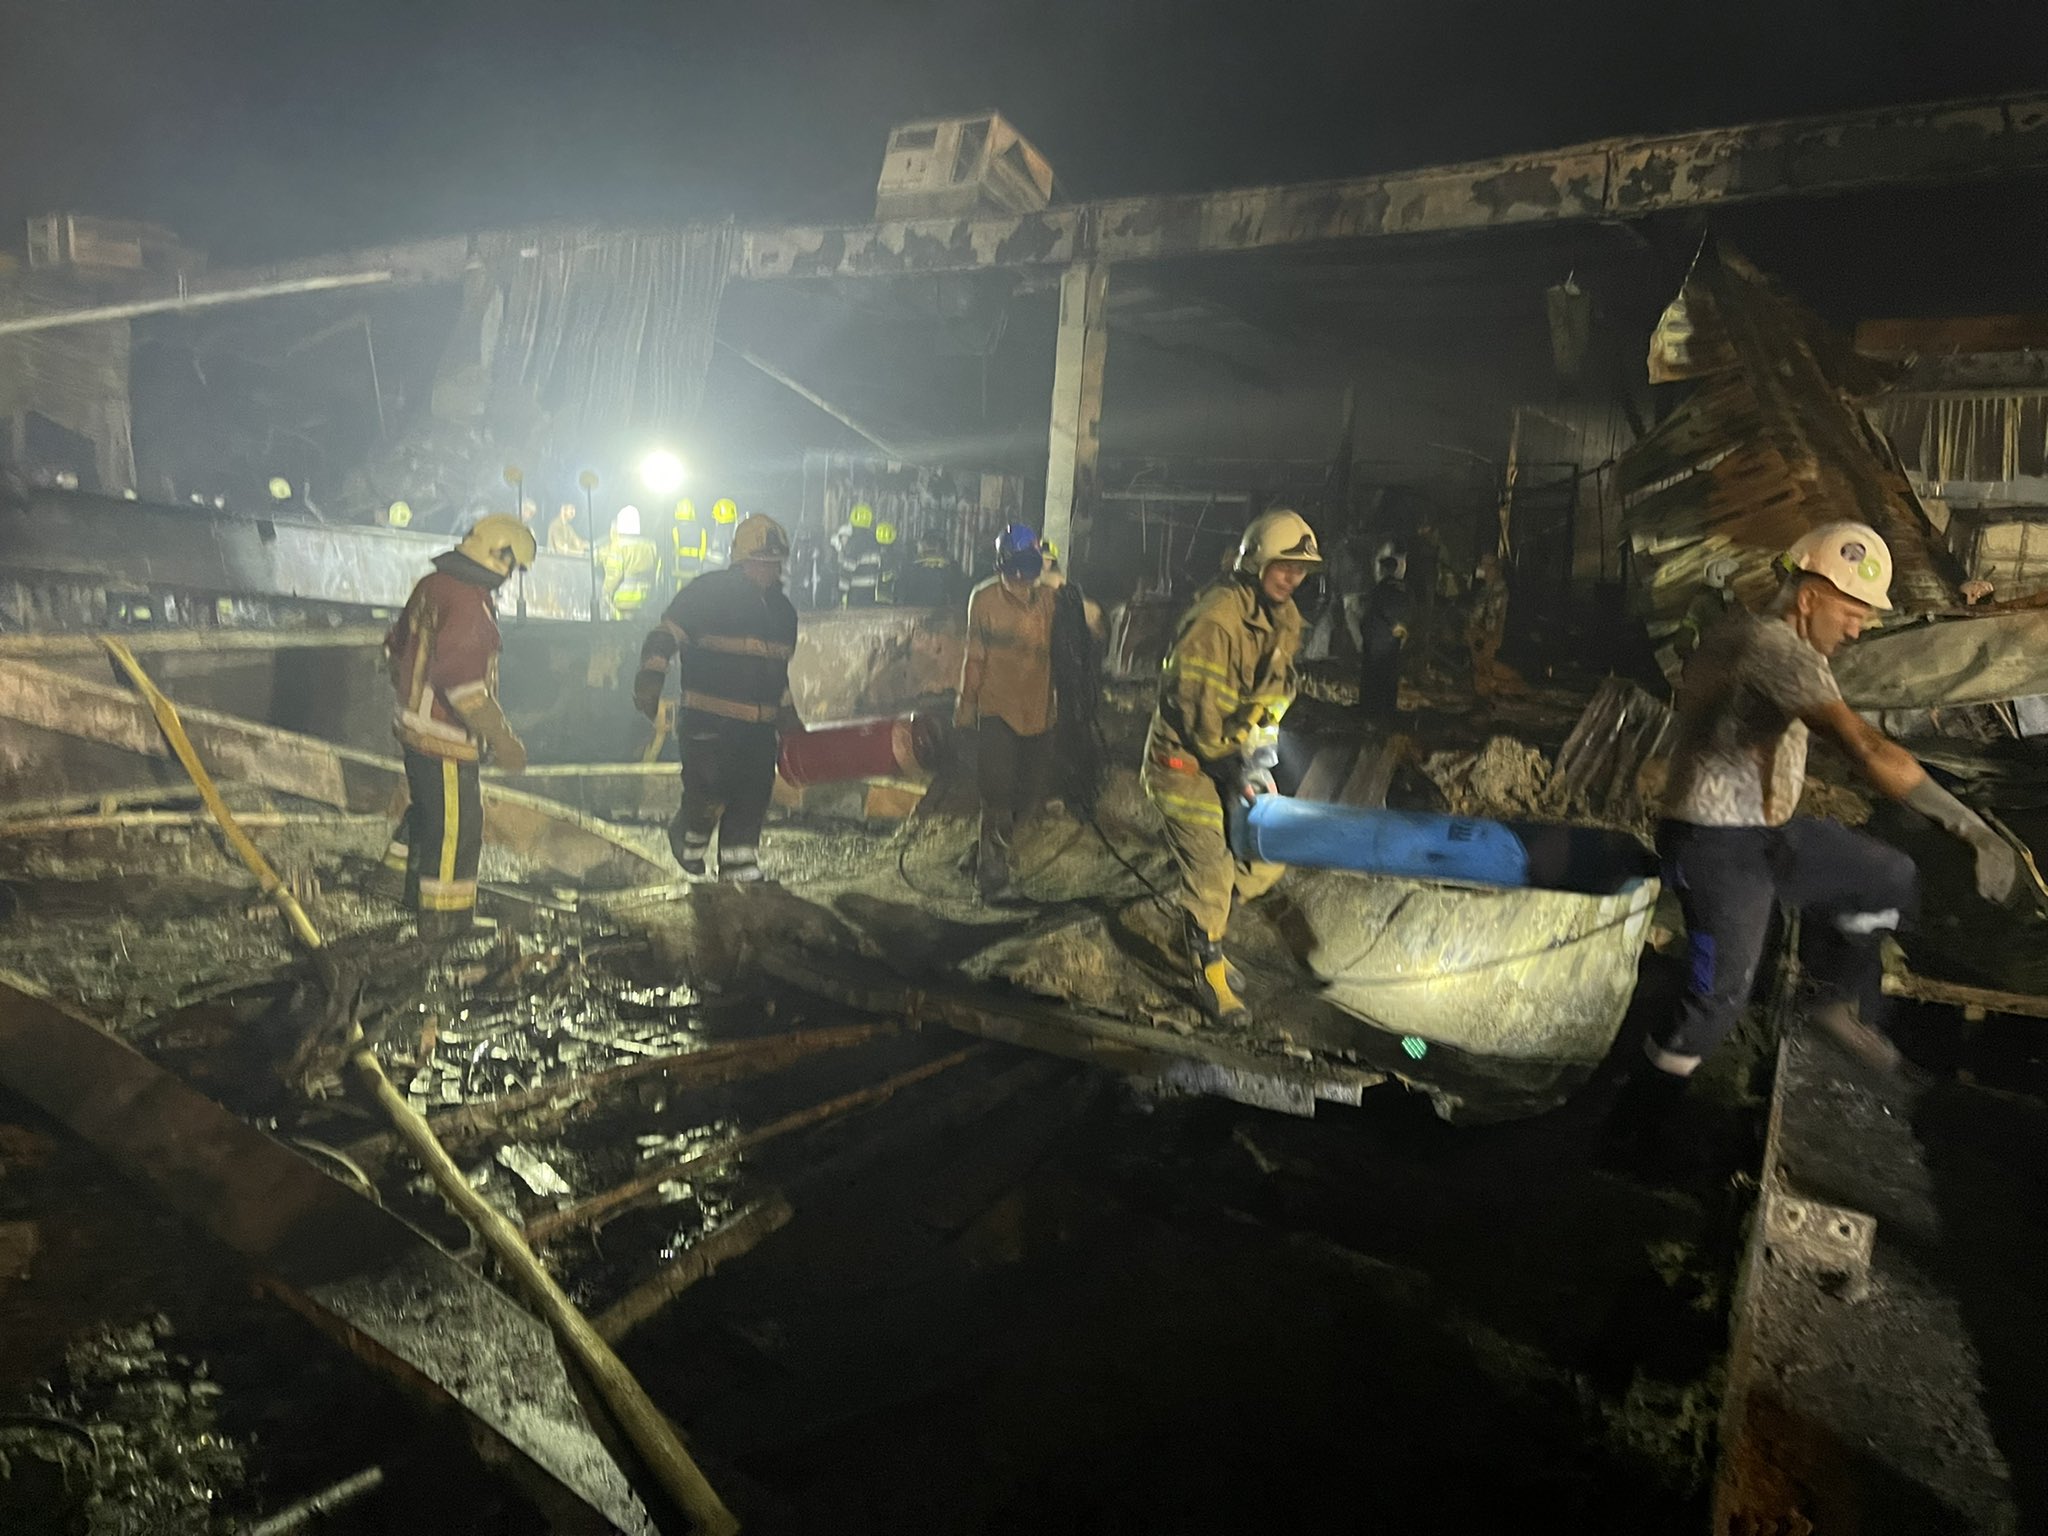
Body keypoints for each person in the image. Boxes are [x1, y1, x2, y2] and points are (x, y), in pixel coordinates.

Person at [1600, 522, 2020, 1169]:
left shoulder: (1763, 636)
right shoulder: (1776, 649)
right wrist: (1968, 826)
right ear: (1808, 598)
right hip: (1715, 848)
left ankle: (1831, 1005)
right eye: (1852, 613)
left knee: (1886, 875)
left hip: (1766, 833)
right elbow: (1865, 747)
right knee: (1716, 1000)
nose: (1857, 630)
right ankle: (1631, 1134)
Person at [1142, 509, 1320, 1026]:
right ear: (1256, 561)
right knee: (1213, 869)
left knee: (1266, 853)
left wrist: (1260, 759)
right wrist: (1237, 769)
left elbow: (1274, 698)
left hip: (1235, 756)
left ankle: (1203, 929)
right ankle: (1209, 973)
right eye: (1283, 566)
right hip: (1184, 765)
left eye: (1301, 569)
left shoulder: (1284, 619)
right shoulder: (1216, 621)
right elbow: (1201, 719)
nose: (1292, 577)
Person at [377, 514, 534, 938]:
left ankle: (395, 884)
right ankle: (445, 919)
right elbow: (464, 686)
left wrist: (411, 701)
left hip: (414, 727)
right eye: (513, 566)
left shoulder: (433, 585)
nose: (511, 576)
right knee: (456, 829)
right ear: (499, 557)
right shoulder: (467, 603)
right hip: (443, 736)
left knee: (429, 813)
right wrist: (502, 739)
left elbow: (394, 647)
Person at [633, 514, 803, 882]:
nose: (770, 570)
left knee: (753, 797)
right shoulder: (707, 594)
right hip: (709, 725)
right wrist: (651, 675)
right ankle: (687, 839)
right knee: (707, 794)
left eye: (775, 563)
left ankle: (740, 868)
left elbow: (778, 675)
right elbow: (666, 635)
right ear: (742, 560)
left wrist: (789, 720)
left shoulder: (783, 614)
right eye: (762, 561)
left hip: (758, 733)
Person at [956, 524, 1057, 902]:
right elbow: (975, 657)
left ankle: (981, 854)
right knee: (997, 796)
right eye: (1014, 570)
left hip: (1039, 712)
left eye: (1027, 569)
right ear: (1002, 565)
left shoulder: (1050, 600)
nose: (1020, 579)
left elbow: (1088, 624)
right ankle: (993, 880)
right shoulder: (984, 600)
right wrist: (966, 705)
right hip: (997, 710)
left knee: (1028, 797)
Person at [1039, 537, 1109, 818]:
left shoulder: (1050, 599)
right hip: (1072, 687)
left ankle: (1060, 792)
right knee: (1072, 734)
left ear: (1048, 562)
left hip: (1059, 684)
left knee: (1057, 736)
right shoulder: (1083, 603)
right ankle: (1075, 792)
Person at [1358, 543, 1409, 717]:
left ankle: (1369, 710)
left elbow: (1370, 613)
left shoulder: (1379, 589)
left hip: (1376, 640)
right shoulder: (1402, 589)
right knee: (1389, 675)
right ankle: (1387, 710)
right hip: (1392, 640)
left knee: (1372, 676)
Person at [598, 505, 659, 621]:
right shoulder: (650, 545)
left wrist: (604, 592)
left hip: (624, 599)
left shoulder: (618, 547)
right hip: (645, 597)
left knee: (621, 626)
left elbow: (614, 575)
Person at [897, 531, 965, 610]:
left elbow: (899, 599)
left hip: (914, 615)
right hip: (941, 615)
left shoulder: (909, 568)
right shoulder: (952, 568)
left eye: (933, 542)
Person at [831, 502, 882, 607]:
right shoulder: (874, 541)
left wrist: (841, 594)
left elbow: (848, 568)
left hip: (856, 593)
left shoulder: (855, 543)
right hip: (871, 591)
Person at [668, 498, 708, 592]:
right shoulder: (701, 530)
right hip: (696, 571)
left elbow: (669, 551)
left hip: (678, 571)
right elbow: (704, 552)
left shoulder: (674, 530)